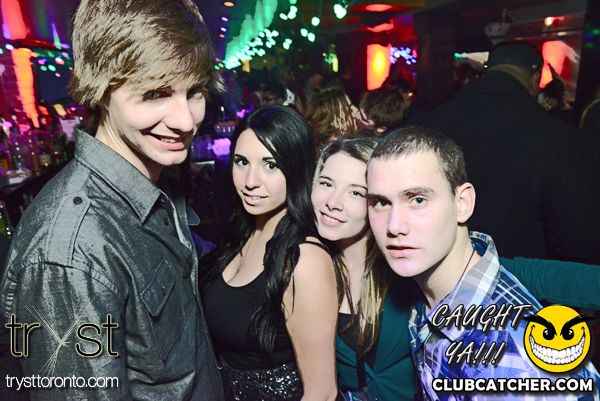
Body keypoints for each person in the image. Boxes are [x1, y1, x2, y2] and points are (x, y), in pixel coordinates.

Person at [0, 0, 225, 399]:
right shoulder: (70, 256)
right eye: (155, 94)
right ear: (100, 91)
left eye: (194, 91)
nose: (186, 120)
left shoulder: (156, 181)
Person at [311, 136, 600, 401]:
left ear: (462, 203)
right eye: (381, 202)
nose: (394, 225)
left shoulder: (511, 362)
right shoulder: (427, 287)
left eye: (418, 200)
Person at [409, 41, 600, 264]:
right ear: (535, 78)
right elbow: (579, 243)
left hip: (430, 269)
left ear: (489, 70)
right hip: (517, 279)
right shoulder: (563, 140)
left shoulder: (422, 126)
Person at [200, 105, 338, 401]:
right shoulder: (239, 237)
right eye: (241, 162)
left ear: (296, 169)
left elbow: (323, 393)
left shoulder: (305, 261)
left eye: (270, 165)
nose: (250, 181)